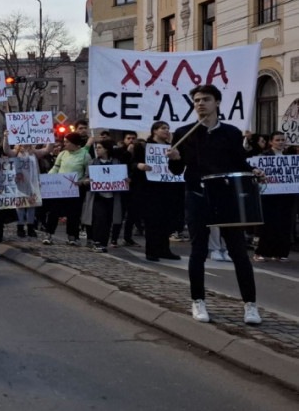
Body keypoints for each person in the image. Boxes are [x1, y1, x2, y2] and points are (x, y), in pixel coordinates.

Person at [167, 84, 262, 325]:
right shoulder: (184, 132)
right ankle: (198, 301)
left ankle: (250, 305)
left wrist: (254, 171)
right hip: (197, 195)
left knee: (238, 251)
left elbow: (239, 163)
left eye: (206, 99)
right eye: (197, 100)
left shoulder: (231, 133)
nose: (200, 103)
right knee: (198, 251)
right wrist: (175, 160)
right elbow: (178, 170)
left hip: (226, 197)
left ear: (217, 102)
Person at [132, 122, 183, 261]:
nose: (166, 131)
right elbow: (131, 163)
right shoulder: (142, 147)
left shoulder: (171, 147)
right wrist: (140, 166)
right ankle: (151, 251)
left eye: (168, 129)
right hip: (149, 189)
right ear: (154, 130)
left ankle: (164, 249)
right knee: (152, 221)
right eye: (163, 128)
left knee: (166, 220)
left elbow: (179, 165)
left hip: (168, 187)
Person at [42, 132, 90, 245]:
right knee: (54, 211)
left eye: (67, 142)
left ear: (75, 143)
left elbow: (88, 174)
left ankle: (72, 236)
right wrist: (47, 179)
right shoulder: (62, 154)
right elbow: (55, 168)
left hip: (75, 189)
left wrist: (82, 181)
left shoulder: (85, 155)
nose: (64, 144)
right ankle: (48, 234)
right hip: (60, 188)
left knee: (73, 213)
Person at [255, 131, 295, 262]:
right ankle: (261, 251)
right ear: (271, 142)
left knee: (284, 224)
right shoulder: (264, 155)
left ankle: (281, 252)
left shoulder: (290, 156)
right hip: (269, 195)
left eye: (283, 140)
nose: (281, 142)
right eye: (277, 140)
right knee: (268, 223)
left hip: (286, 195)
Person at [81, 141, 126, 253]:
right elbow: (85, 178)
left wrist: (125, 180)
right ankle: (97, 242)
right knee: (99, 219)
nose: (97, 150)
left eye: (100, 147)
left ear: (106, 149)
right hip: (98, 196)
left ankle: (103, 243)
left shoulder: (116, 162)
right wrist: (86, 181)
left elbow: (121, 176)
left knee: (108, 220)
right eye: (97, 148)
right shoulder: (93, 162)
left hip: (111, 196)